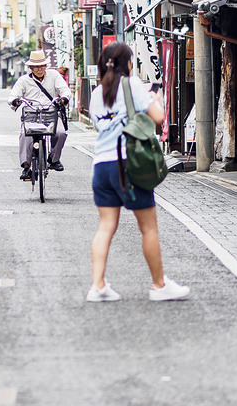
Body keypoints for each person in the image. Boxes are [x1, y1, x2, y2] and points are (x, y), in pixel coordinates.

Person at [87, 41, 189, 302]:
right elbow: (158, 117)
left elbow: (102, 128)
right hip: (128, 165)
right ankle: (158, 285)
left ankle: (97, 285)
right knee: (148, 229)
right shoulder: (132, 84)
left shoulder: (97, 92)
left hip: (101, 166)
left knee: (106, 226)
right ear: (128, 63)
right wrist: (156, 98)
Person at [9, 49, 72, 179]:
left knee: (61, 133)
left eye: (41, 66)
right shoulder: (23, 81)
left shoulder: (54, 75)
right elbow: (13, 95)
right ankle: (26, 167)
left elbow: (65, 90)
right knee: (24, 135)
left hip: (51, 113)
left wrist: (64, 98)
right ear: (31, 67)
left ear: (46, 66)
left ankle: (54, 160)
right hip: (31, 114)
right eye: (36, 67)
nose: (39, 69)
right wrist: (15, 101)